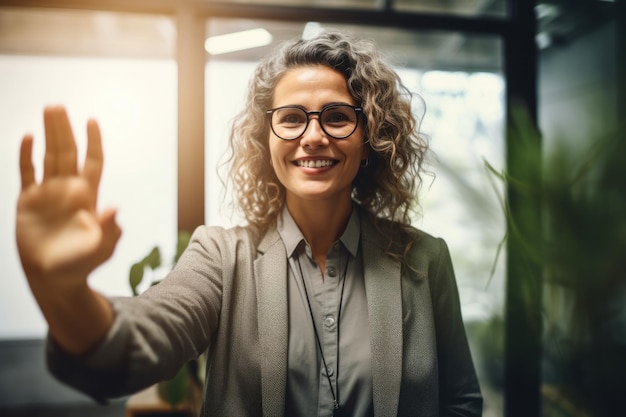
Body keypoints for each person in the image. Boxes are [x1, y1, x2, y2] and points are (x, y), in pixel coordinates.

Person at [16, 30, 482, 416]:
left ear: (369, 137)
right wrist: (65, 294)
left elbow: (460, 401)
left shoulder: (424, 259)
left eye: (338, 117)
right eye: (293, 118)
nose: (313, 136)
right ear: (266, 140)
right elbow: (143, 338)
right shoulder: (221, 256)